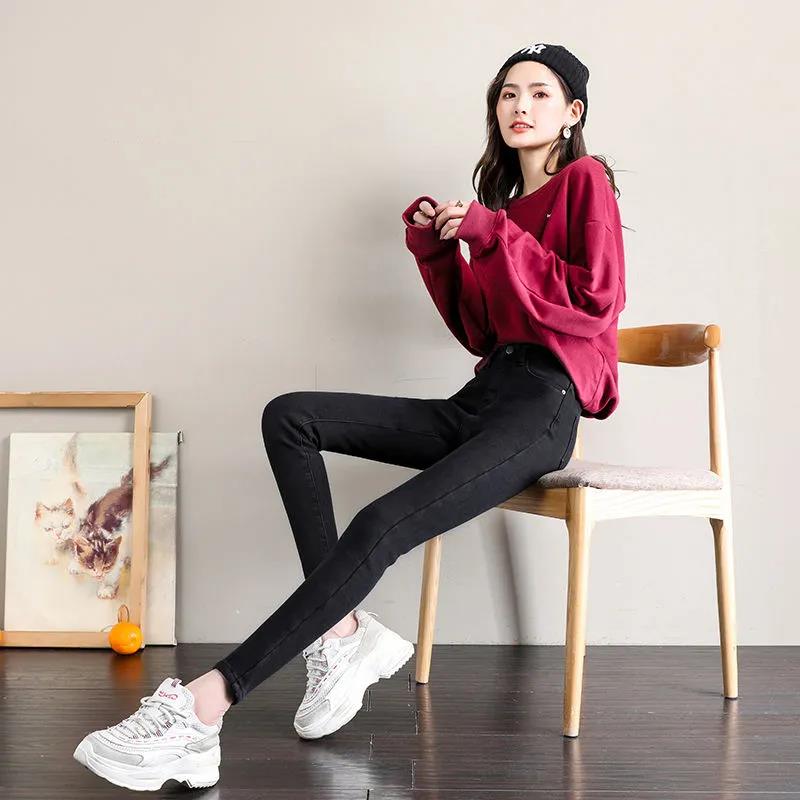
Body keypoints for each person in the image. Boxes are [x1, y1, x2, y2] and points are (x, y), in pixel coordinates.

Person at [73, 42, 626, 791]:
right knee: (290, 417)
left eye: (538, 93)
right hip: (485, 397)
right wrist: (437, 253)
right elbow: (481, 333)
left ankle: (205, 706)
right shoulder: (499, 211)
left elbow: (596, 301)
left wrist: (492, 238)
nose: (519, 106)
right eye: (506, 94)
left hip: (542, 409)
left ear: (572, 112)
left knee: (380, 524)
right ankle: (340, 635)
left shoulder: (586, 182)